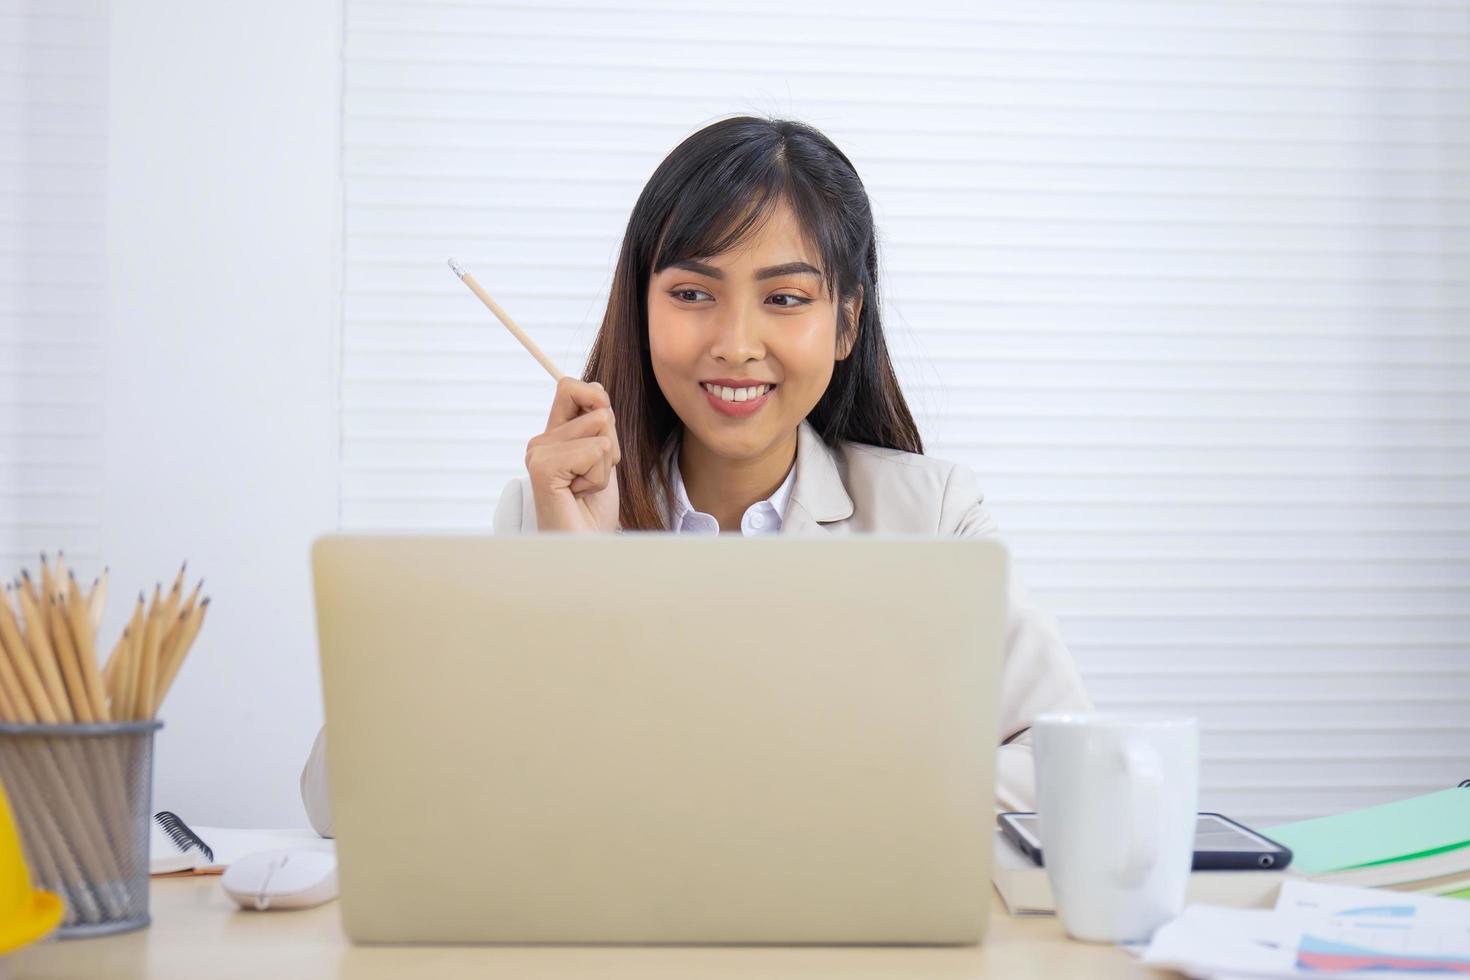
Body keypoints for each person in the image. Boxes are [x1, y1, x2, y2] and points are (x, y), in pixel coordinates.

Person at [301, 116, 1090, 837]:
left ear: (846, 322)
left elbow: (1075, 771)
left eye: (784, 297)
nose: (735, 342)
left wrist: (814, 796)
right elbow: (341, 799)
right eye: (691, 294)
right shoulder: (542, 517)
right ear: (642, 308)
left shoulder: (932, 518)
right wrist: (570, 579)